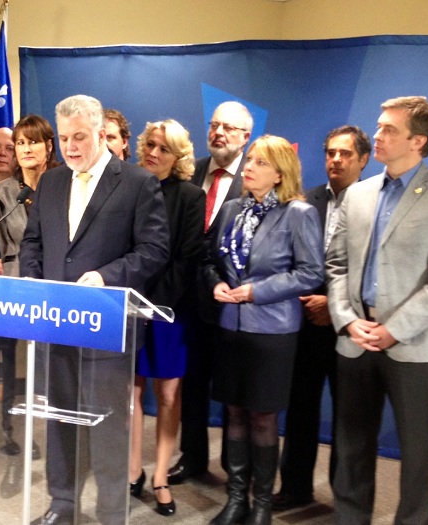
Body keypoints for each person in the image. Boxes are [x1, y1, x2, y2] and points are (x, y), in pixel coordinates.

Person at [19, 94, 170, 525]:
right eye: (64, 138)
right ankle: (62, 503)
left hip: (107, 326)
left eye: (79, 137)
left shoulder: (138, 183)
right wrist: (31, 278)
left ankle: (109, 510)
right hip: (55, 323)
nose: (69, 147)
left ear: (101, 134)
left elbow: (154, 250)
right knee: (58, 419)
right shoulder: (49, 183)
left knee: (106, 426)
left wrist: (106, 276)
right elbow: (34, 242)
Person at [327, 96, 428, 525]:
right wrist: (345, 319)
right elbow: (336, 265)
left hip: (414, 346)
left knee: (418, 453)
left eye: (388, 130)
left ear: (417, 140)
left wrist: (393, 330)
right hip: (356, 338)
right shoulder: (357, 195)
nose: (376, 136)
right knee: (351, 445)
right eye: (377, 127)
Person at [203, 135, 324, 525]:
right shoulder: (232, 209)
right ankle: (236, 499)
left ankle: (262, 507)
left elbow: (310, 273)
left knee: (262, 417)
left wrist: (257, 292)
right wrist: (215, 284)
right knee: (234, 412)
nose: (248, 167)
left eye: (258, 162)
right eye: (249, 160)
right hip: (230, 327)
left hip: (272, 331)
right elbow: (210, 259)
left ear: (278, 174)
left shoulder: (298, 213)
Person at [273, 125, 370, 512]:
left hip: (351, 327)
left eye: (345, 154)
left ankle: (344, 502)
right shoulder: (305, 201)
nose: (336, 160)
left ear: (364, 159)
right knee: (300, 410)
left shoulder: (376, 203)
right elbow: (291, 258)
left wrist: (333, 306)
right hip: (304, 326)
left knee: (349, 420)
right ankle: (295, 488)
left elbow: (373, 269)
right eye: (331, 152)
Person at [168, 101, 251, 485]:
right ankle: (194, 457)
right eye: (214, 125)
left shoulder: (253, 178)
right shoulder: (192, 170)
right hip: (188, 299)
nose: (218, 133)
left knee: (236, 392)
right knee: (194, 383)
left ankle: (238, 469)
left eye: (228, 128)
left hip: (233, 301)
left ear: (245, 137)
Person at [129, 119, 205, 516]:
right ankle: (132, 471)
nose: (153, 153)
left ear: (177, 157)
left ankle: (160, 475)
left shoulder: (191, 196)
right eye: (150, 145)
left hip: (169, 311)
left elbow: (187, 257)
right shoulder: (127, 188)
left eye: (163, 148)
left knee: (169, 394)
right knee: (132, 392)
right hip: (127, 307)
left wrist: (153, 305)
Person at [0, 114, 59, 462]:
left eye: (34, 141)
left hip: (58, 290)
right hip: (16, 290)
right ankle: (9, 429)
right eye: (20, 142)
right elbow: (3, 246)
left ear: (49, 146)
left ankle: (54, 433)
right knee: (10, 365)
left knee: (49, 367)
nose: (26, 148)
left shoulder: (66, 184)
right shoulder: (4, 192)